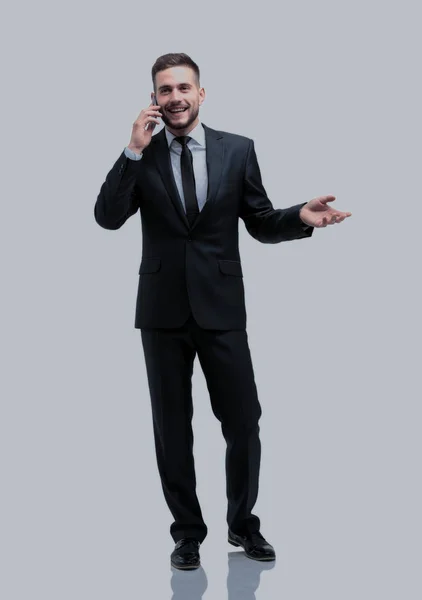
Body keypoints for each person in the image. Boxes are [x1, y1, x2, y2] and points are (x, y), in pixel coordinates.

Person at [94, 52, 351, 571]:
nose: (175, 98)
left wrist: (298, 217)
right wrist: (131, 150)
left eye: (183, 88)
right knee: (173, 427)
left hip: (222, 309)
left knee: (244, 421)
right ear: (154, 98)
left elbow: (258, 220)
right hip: (162, 312)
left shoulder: (238, 149)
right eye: (165, 90)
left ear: (201, 93)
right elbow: (107, 218)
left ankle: (243, 525)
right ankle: (187, 533)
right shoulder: (140, 156)